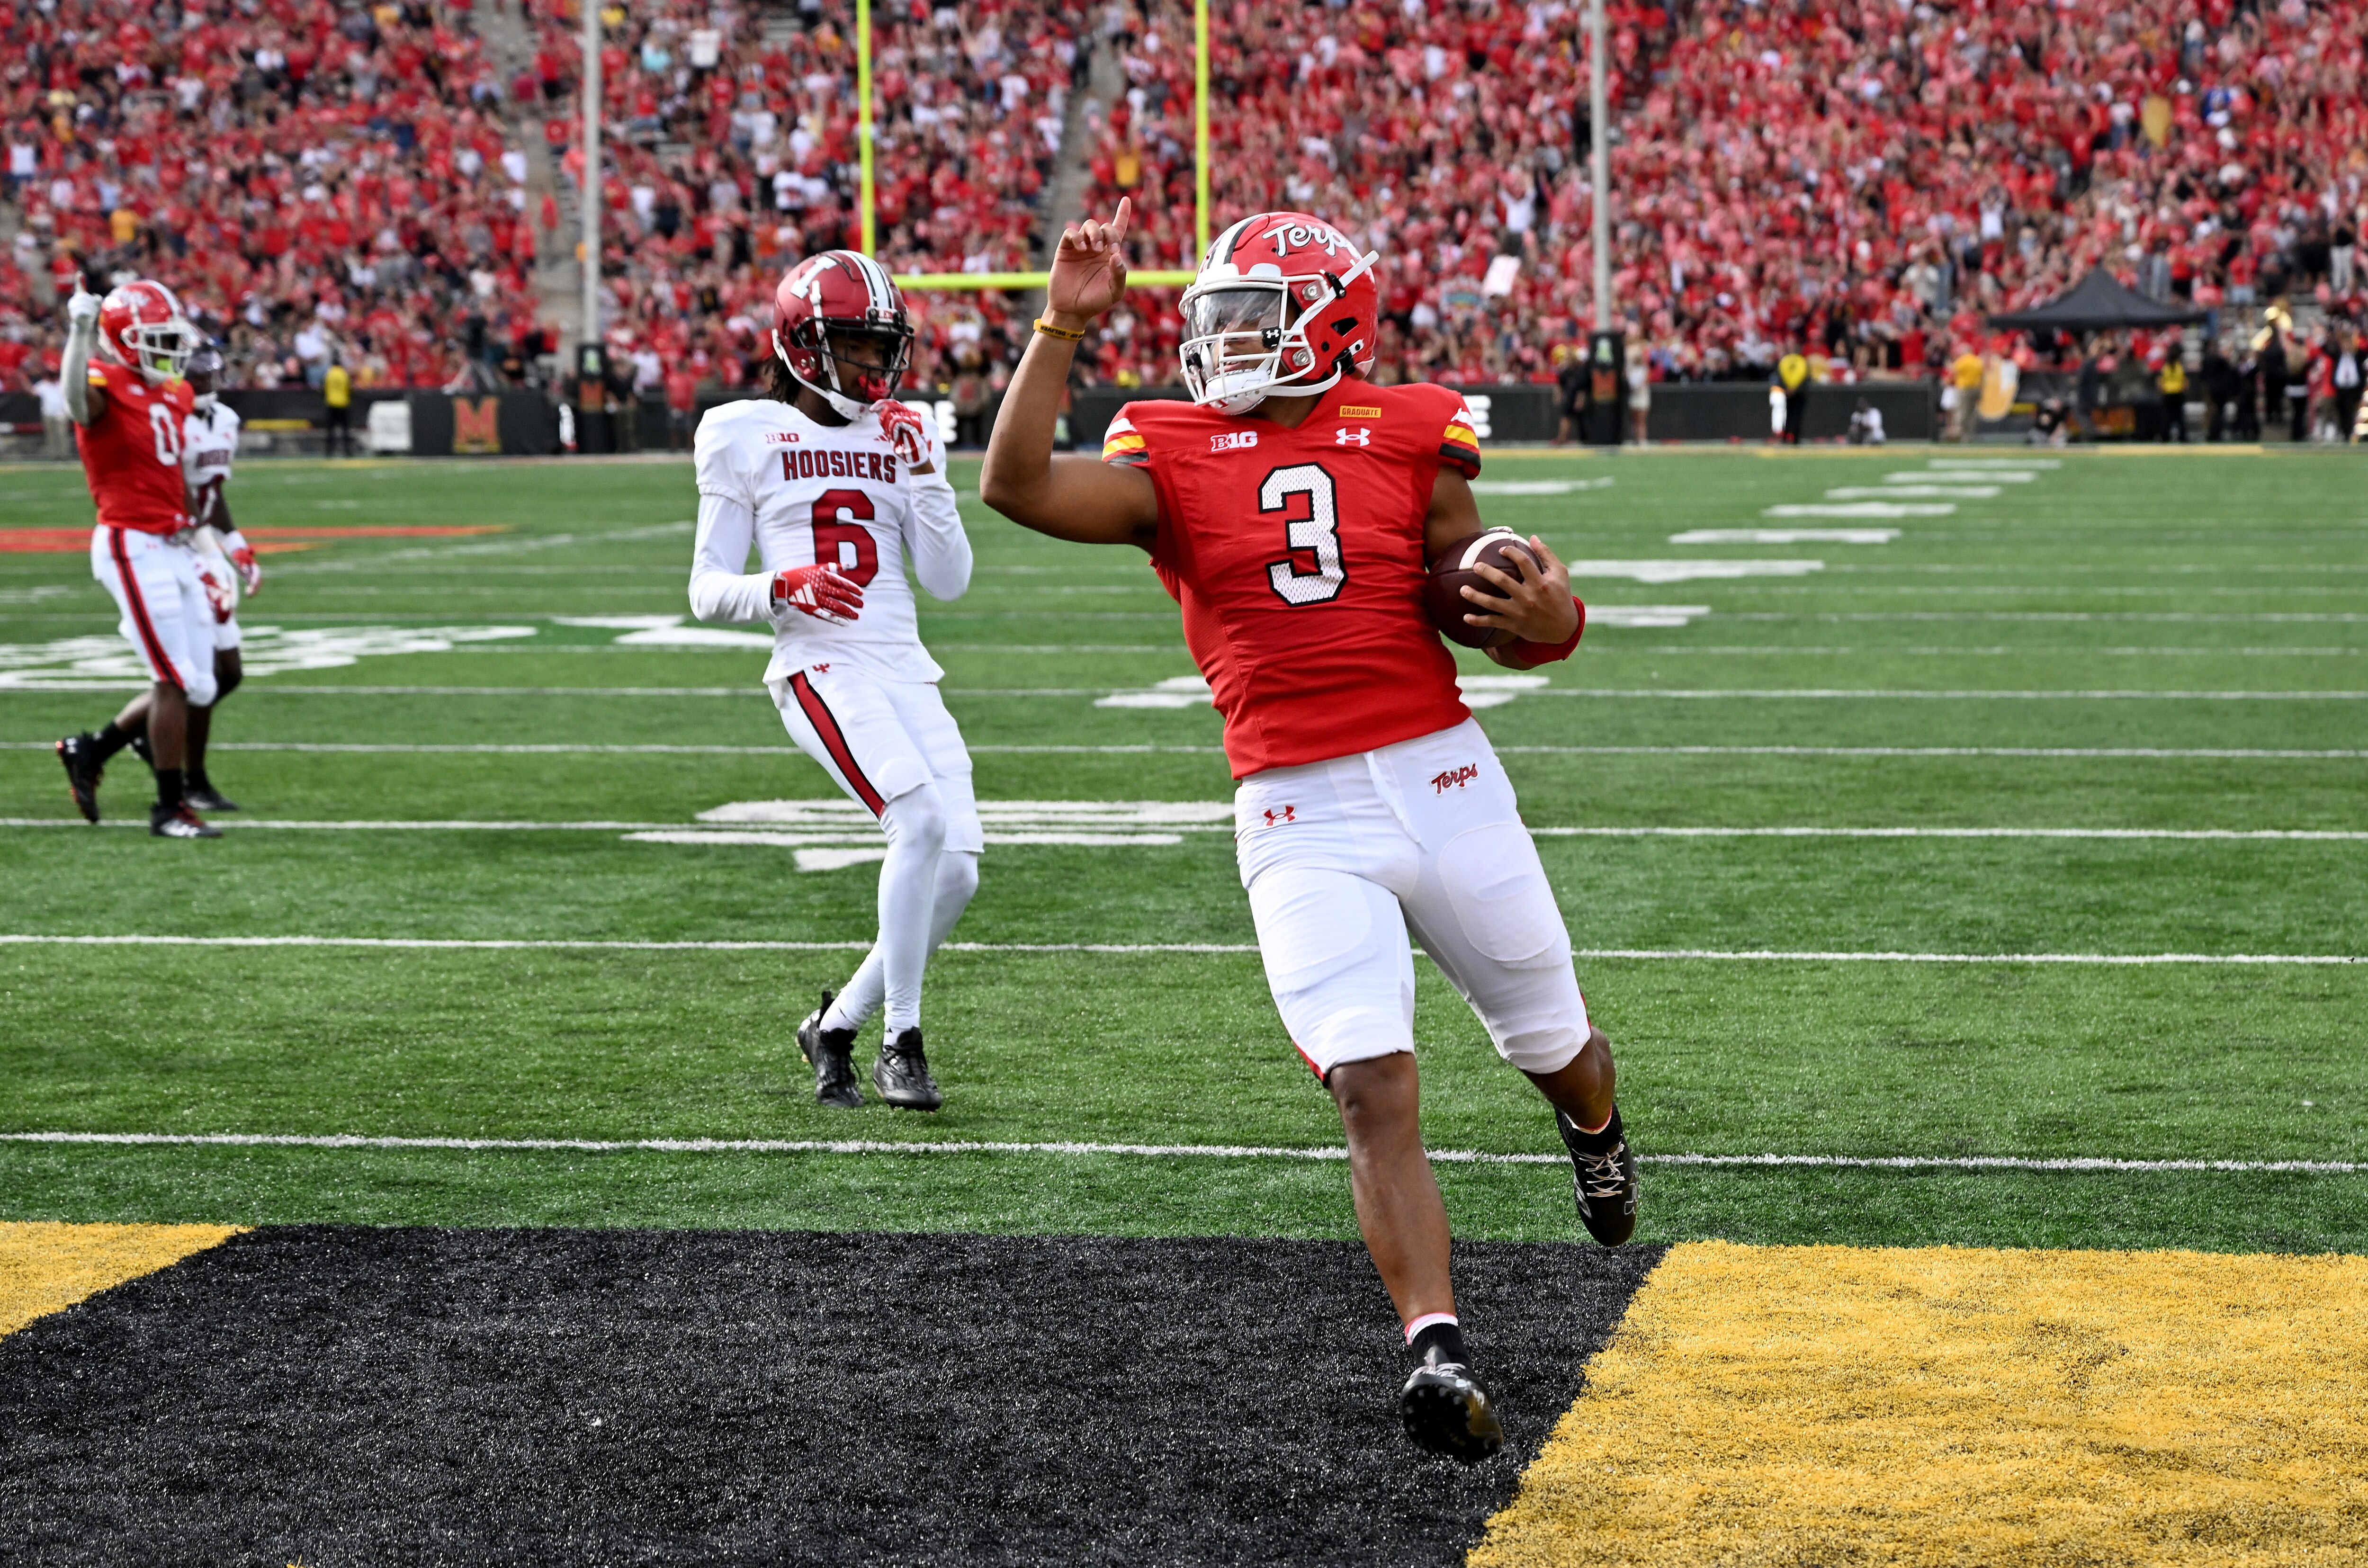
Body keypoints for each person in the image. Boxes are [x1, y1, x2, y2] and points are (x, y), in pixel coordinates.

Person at [979, 201, 1637, 1465]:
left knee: (1555, 1042)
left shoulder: (1411, 431)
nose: (1222, 342)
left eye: (1250, 319)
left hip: (1442, 777)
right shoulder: (1166, 446)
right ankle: (1433, 1343)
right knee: (1367, 1076)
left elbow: (1501, 614)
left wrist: (1554, 615)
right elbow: (1014, 484)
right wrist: (1061, 324)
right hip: (1293, 804)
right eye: (1213, 320)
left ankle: (1594, 1123)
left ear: (1333, 324)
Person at [687, 248, 977, 1112]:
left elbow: (952, 579)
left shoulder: (903, 433)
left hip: (905, 668)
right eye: (856, 346)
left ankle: (839, 1024)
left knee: (957, 870)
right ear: (805, 348)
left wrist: (927, 474)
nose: (876, 366)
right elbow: (705, 590)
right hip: (819, 661)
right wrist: (785, 585)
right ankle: (905, 1040)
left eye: (884, 346)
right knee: (918, 820)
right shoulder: (743, 431)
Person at [51, 281, 221, 838]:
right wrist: (79, 332)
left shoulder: (171, 391)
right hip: (132, 543)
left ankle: (91, 750)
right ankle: (168, 808)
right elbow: (76, 400)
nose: (172, 350)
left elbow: (175, 479)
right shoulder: (105, 381)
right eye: (159, 338)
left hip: (173, 542)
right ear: (123, 342)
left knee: (198, 683)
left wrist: (207, 546)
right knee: (172, 678)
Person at [104, 343, 260, 812]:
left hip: (203, 544)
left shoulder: (225, 421)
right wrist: (210, 553)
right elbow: (179, 493)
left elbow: (211, 494)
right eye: (203, 379)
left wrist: (238, 548)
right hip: (174, 547)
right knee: (197, 673)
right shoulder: (167, 415)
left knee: (222, 673)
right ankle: (184, 775)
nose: (211, 386)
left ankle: (109, 747)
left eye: (214, 378)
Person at [323, 353, 354, 457]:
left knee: (331, 430)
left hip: (331, 403)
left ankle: (329, 451)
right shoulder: (344, 374)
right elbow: (348, 389)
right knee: (345, 430)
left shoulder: (329, 374)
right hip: (343, 403)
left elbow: (325, 389)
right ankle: (348, 451)